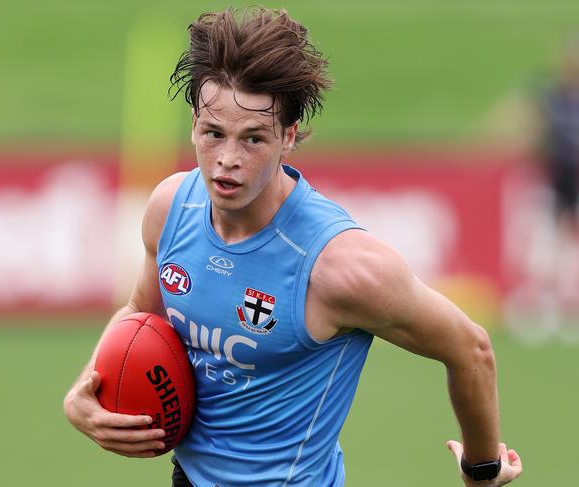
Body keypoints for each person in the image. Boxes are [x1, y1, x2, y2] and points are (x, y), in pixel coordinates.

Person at [64, 7, 522, 486]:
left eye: (253, 139)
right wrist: (83, 391)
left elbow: (471, 348)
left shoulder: (340, 267)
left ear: (288, 136)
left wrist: (482, 468)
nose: (227, 160)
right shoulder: (170, 209)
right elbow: (142, 312)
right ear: (194, 125)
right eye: (213, 134)